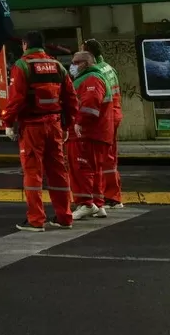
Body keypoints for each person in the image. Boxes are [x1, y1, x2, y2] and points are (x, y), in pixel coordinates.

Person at [1, 30, 78, 232]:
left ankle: (36, 219)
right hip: (55, 125)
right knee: (58, 171)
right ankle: (64, 217)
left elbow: (16, 99)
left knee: (33, 173)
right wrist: (67, 125)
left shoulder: (22, 65)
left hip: (32, 126)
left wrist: (8, 122)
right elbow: (71, 98)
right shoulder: (57, 65)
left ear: (25, 45)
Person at [68, 52, 113, 221]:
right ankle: (98, 204)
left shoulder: (91, 79)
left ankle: (86, 204)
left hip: (87, 133)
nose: (72, 66)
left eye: (75, 62)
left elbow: (91, 103)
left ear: (85, 63)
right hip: (97, 133)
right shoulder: (95, 77)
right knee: (95, 170)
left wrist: (80, 122)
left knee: (82, 169)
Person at [84, 39, 124, 209]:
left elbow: (95, 99)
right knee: (109, 157)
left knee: (101, 159)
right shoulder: (108, 67)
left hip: (105, 118)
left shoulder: (96, 72)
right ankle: (112, 196)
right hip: (114, 114)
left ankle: (108, 197)